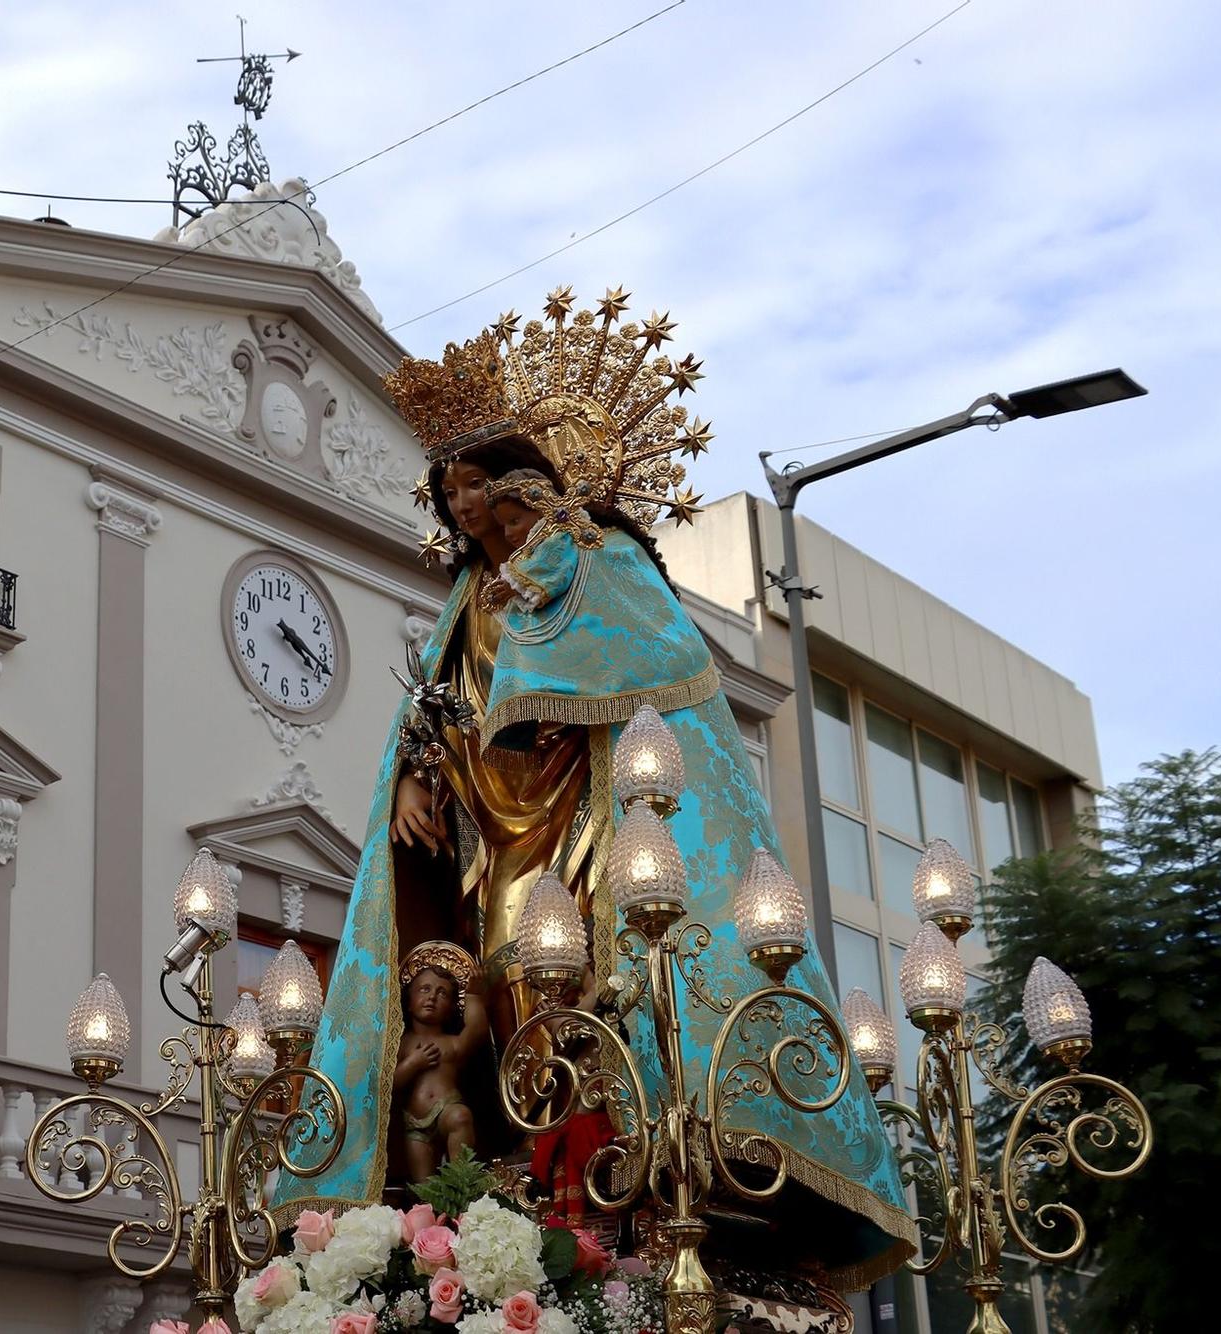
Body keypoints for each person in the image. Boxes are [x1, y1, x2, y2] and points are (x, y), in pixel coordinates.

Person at [275, 287, 916, 1296]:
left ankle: (608, 1162)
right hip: (490, 823)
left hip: (582, 812)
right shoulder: (460, 604)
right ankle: (505, 1170)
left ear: (523, 487)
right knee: (490, 973)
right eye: (449, 498)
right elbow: (434, 706)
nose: (463, 511)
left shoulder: (593, 554)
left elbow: (644, 655)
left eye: (476, 489)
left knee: (579, 984)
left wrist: (537, 624)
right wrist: (412, 774)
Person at [393, 941, 488, 1182]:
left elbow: (476, 1030)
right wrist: (412, 1063)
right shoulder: (401, 1043)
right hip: (414, 1123)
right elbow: (387, 1085)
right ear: (409, 1000)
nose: (432, 997)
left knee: (460, 1117)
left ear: (451, 1008)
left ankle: (461, 1187)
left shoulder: (451, 1043)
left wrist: (474, 996)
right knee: (422, 1188)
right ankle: (429, 1215)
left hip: (447, 1107)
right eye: (424, 989)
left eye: (442, 993)